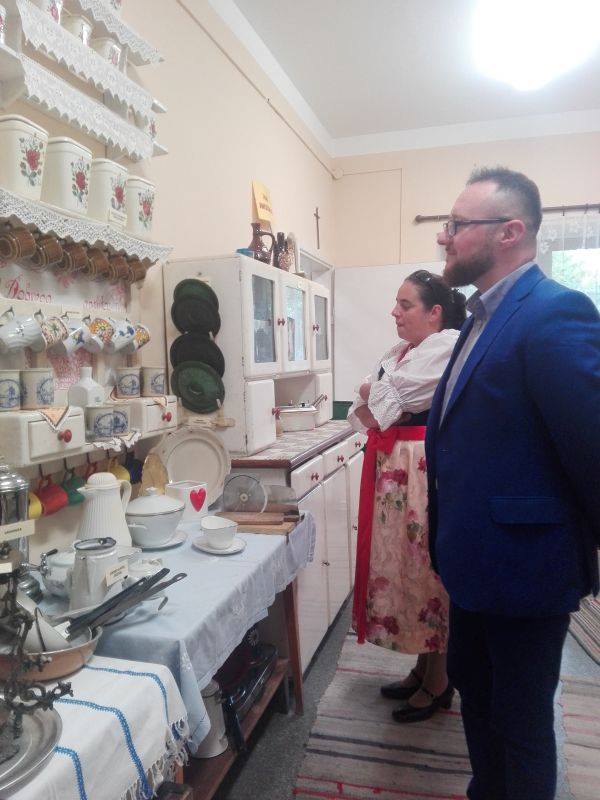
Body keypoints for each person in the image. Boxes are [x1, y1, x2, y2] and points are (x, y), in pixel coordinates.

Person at [427, 167, 600, 800]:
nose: (444, 236)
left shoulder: (555, 312)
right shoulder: (478, 316)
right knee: (476, 693)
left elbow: (591, 447)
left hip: (528, 567)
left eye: (456, 224)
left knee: (522, 718)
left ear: (510, 232)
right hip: (472, 561)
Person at [348, 270, 466, 723]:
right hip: (398, 467)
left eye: (405, 305)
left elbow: (383, 397)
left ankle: (440, 679)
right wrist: (375, 392)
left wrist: (374, 390)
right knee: (406, 568)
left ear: (434, 313)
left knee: (424, 567)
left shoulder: (445, 345)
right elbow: (371, 407)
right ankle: (423, 667)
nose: (394, 313)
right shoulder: (402, 352)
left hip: (421, 470)